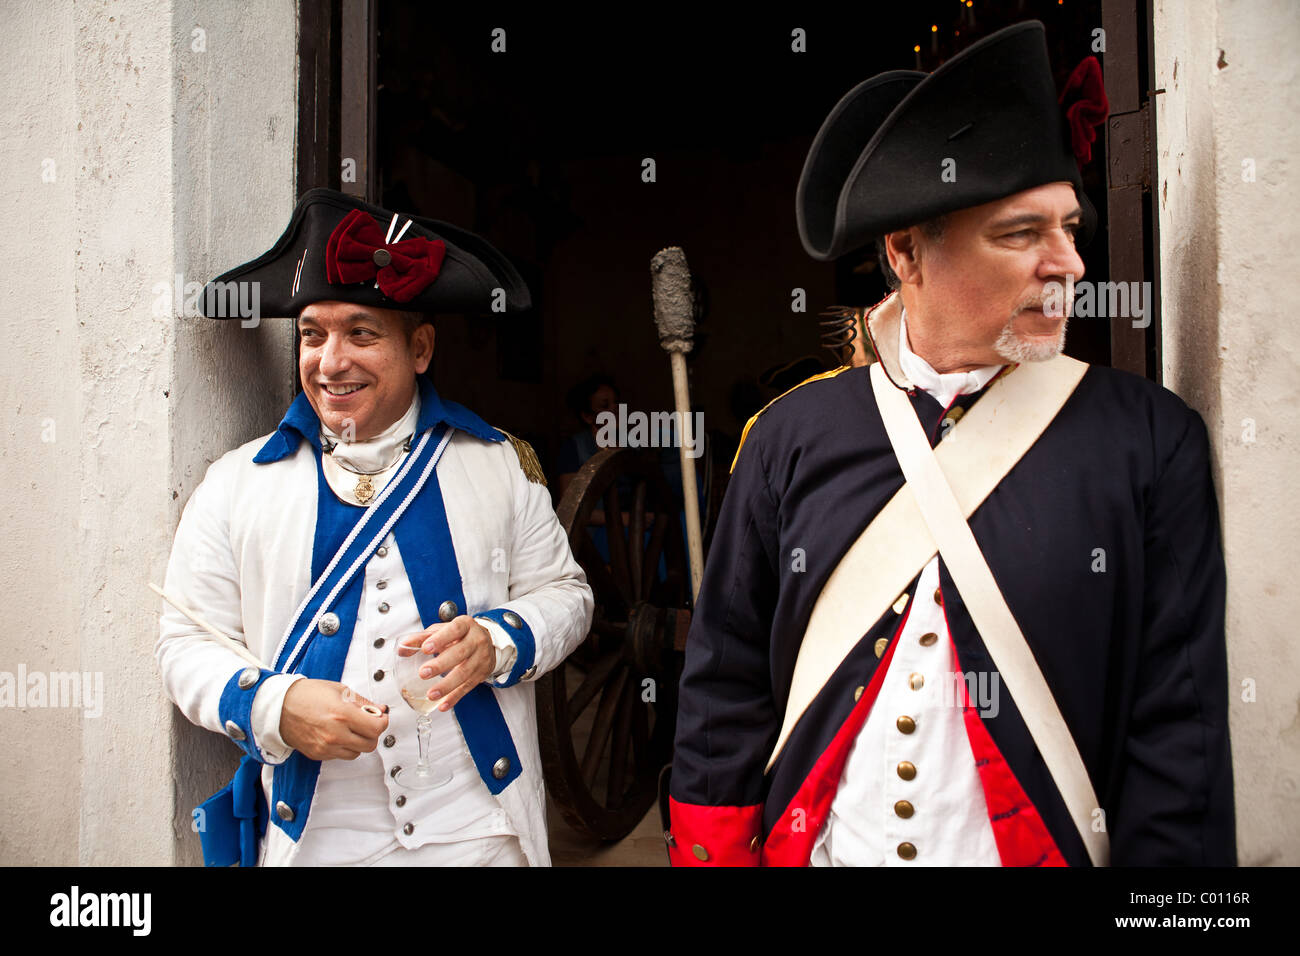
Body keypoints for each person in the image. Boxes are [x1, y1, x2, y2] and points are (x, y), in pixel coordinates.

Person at [667, 21, 1234, 866]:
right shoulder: (789, 435)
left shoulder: (1150, 441)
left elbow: (1177, 744)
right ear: (905, 252)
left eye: (1069, 228)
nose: (1070, 263)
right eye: (1020, 234)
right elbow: (726, 688)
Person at [156, 188, 593, 866]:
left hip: (480, 832)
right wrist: (276, 705)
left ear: (420, 348)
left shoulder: (499, 464)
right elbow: (183, 643)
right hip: (317, 842)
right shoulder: (236, 484)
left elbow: (568, 596)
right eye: (312, 335)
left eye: (361, 334)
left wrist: (498, 641)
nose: (330, 363)